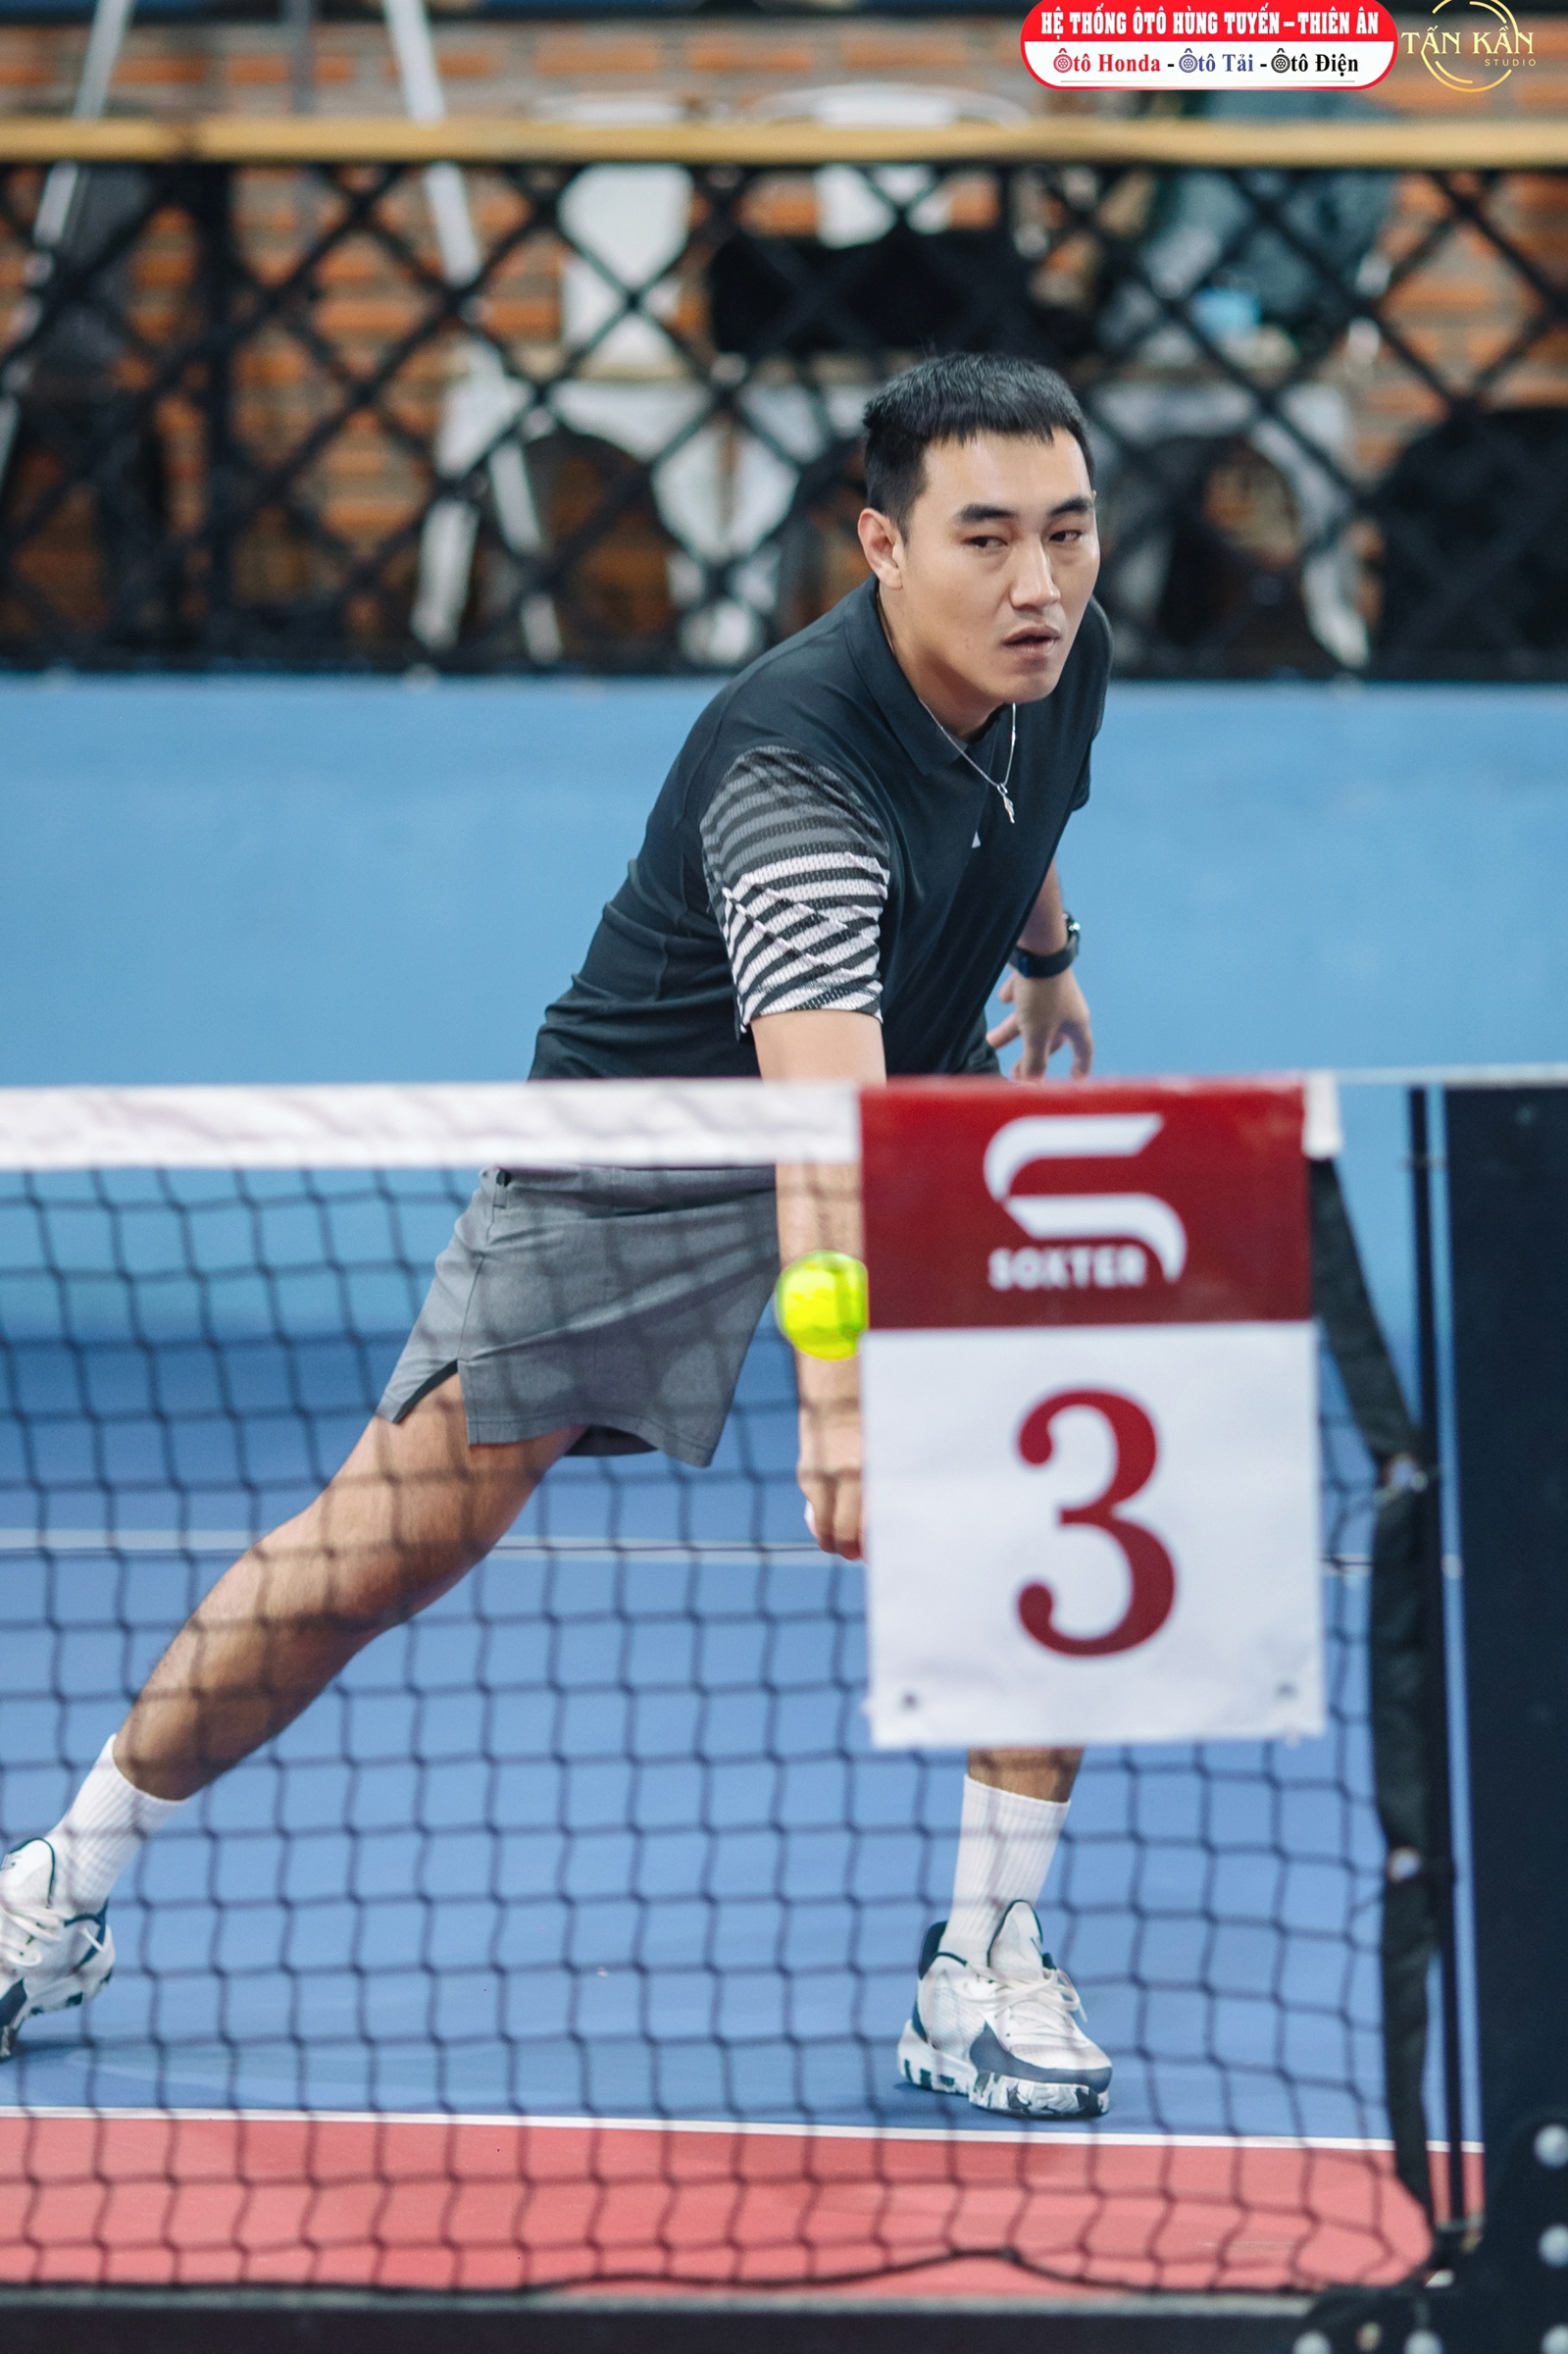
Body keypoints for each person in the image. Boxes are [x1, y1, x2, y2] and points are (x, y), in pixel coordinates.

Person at [0, 351, 1113, 2121]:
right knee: (377, 1550)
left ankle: (986, 1957)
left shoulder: (1056, 649)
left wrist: (1044, 960)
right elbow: (812, 1133)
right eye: (988, 539)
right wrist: (838, 1400)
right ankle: (57, 1888)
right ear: (884, 546)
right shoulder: (794, 775)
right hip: (644, 1159)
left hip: (903, 1100)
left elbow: (1023, 798)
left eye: (1067, 530)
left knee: (1035, 1489)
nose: (1038, 581)